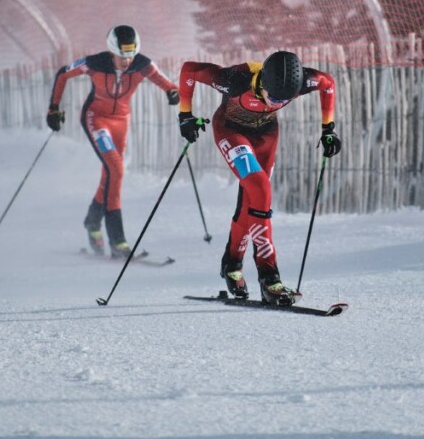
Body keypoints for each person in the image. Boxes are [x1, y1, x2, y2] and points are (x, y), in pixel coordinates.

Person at [177, 50, 341, 306]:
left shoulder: (302, 82)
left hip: (266, 135)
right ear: (263, 82)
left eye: (284, 100)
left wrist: (328, 129)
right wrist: (184, 115)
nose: (277, 102)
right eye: (274, 96)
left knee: (251, 203)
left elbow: (328, 83)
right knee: (260, 187)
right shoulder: (234, 79)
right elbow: (189, 69)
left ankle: (231, 264)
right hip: (232, 131)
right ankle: (269, 277)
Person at [47, 25, 179, 257]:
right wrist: (53, 109)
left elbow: (166, 83)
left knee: (110, 174)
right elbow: (63, 73)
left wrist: (172, 93)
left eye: (130, 56)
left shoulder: (142, 64)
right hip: (96, 119)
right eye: (122, 56)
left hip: (121, 123)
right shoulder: (95, 63)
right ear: (111, 51)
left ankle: (92, 221)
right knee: (116, 169)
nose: (127, 62)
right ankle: (117, 241)